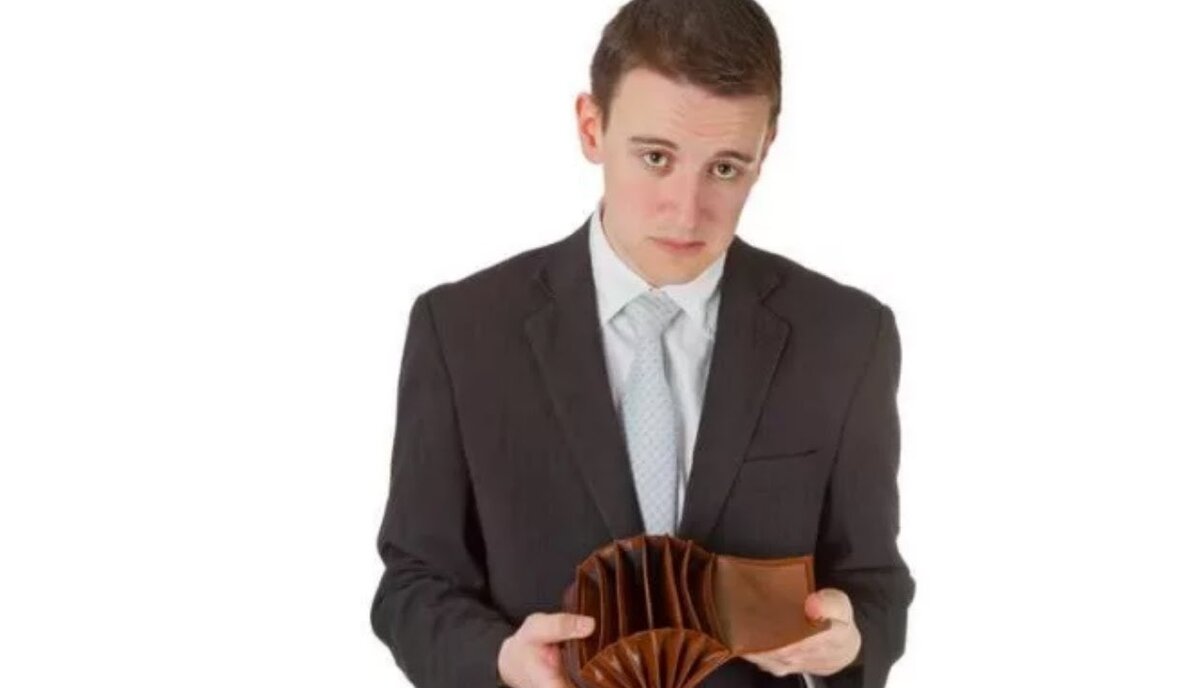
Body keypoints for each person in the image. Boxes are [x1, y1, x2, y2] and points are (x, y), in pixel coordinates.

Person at [369, 1, 915, 686]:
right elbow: (413, 583)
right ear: (591, 127)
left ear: (766, 149)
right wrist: (501, 659)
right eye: (656, 158)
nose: (686, 212)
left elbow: (874, 586)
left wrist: (849, 639)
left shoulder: (847, 336)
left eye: (725, 168)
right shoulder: (461, 331)